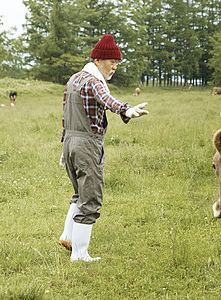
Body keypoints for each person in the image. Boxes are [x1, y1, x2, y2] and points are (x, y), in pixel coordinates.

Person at [58, 34, 149, 262]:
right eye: (112, 62)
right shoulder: (94, 81)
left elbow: (65, 116)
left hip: (70, 143)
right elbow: (107, 100)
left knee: (79, 193)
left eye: (117, 63)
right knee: (91, 199)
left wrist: (64, 148)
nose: (114, 67)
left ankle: (67, 236)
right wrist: (126, 110)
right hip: (88, 145)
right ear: (98, 60)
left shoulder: (73, 79)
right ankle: (79, 255)